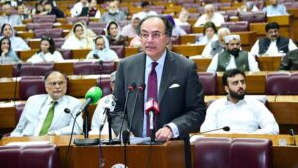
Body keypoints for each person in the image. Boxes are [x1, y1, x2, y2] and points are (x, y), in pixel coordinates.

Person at [111, 15, 206, 168]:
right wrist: (123, 131)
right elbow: (117, 108)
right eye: (144, 34)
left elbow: (197, 111)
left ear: (168, 38)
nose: (149, 40)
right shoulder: (126, 66)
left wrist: (172, 128)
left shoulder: (186, 68)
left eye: (156, 35)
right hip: (133, 150)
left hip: (172, 150)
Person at [201, 69, 279, 134]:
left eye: (242, 82)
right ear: (226, 89)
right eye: (235, 83)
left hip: (250, 146)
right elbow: (205, 131)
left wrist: (249, 136)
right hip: (223, 146)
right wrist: (230, 136)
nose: (240, 86)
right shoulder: (215, 106)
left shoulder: (256, 104)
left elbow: (273, 128)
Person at [10, 71, 83, 137]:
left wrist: (56, 133)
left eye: (61, 83)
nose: (57, 87)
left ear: (66, 85)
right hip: (27, 141)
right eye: (53, 83)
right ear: (46, 87)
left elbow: (77, 128)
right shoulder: (32, 100)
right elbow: (19, 129)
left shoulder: (75, 103)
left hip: (52, 143)